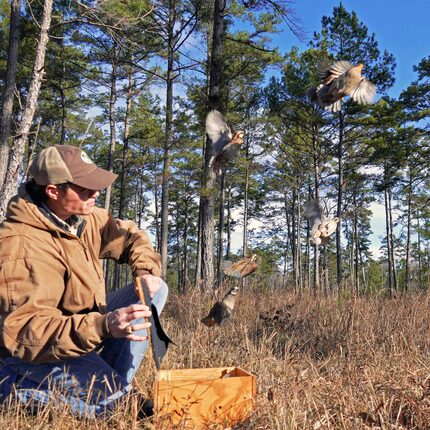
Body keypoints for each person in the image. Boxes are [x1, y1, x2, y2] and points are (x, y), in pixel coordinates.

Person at [0, 144, 168, 418]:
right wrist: (104, 326)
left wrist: (146, 271)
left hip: (80, 332)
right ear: (53, 191)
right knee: (123, 410)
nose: (95, 194)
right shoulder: (21, 247)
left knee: (156, 289)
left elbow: (129, 236)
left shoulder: (79, 217)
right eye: (85, 188)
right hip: (30, 353)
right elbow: (25, 333)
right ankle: (15, 390)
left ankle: (109, 379)